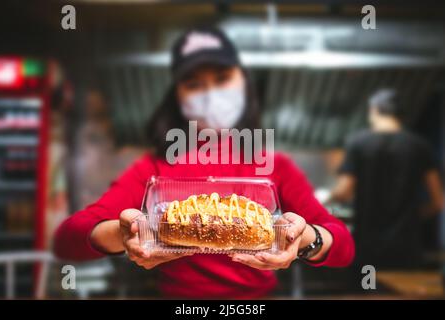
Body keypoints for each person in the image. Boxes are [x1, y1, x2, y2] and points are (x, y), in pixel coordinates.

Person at [53, 27, 354, 299]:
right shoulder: (154, 168)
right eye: (194, 83)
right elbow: (69, 237)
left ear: (243, 84)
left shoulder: (273, 166)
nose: (211, 94)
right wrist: (127, 233)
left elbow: (343, 245)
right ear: (178, 96)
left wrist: (305, 239)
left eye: (222, 79)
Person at [330, 89, 444, 270]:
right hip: (407, 245)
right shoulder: (420, 146)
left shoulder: (359, 143)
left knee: (368, 292)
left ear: (374, 110)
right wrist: (413, 217)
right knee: (403, 295)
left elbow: (343, 192)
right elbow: (438, 202)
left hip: (368, 245)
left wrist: (325, 197)